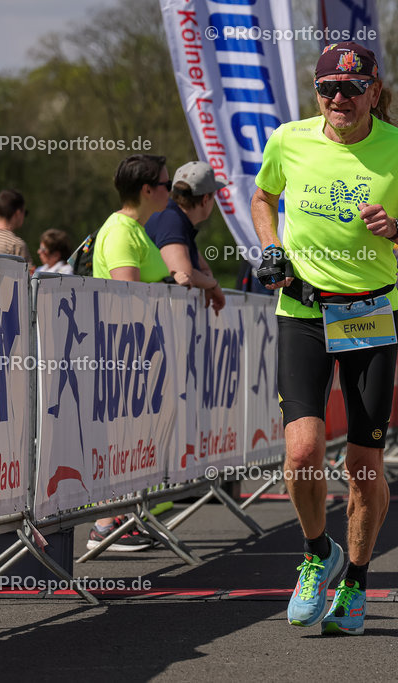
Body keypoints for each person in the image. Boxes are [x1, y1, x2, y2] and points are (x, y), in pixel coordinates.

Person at [250, 42, 398, 635]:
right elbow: (263, 196)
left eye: (352, 89)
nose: (340, 99)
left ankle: (356, 581)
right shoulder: (288, 139)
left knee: (364, 465)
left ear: (375, 93)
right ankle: (317, 553)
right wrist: (270, 247)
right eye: (329, 89)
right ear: (317, 94)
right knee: (303, 452)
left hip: (369, 317)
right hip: (303, 312)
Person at [87, 153, 174, 551]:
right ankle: (105, 524)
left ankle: (120, 517)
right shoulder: (121, 230)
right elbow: (129, 298)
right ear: (147, 190)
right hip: (123, 354)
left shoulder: (137, 229)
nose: (170, 192)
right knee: (118, 438)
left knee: (132, 440)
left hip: (139, 355)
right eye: (167, 185)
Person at [145, 160, 227, 313]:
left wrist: (207, 281)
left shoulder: (177, 219)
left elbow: (203, 269)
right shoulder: (171, 220)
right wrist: (213, 284)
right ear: (204, 200)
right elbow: (185, 274)